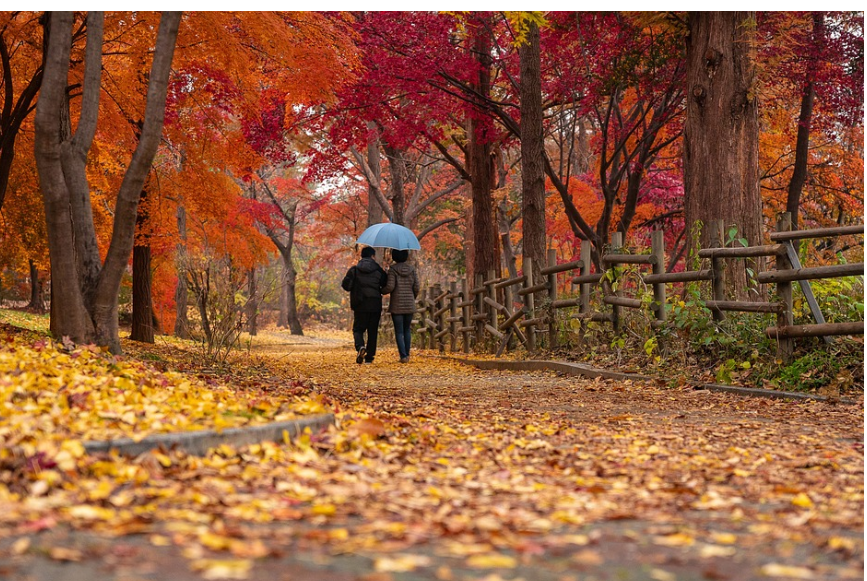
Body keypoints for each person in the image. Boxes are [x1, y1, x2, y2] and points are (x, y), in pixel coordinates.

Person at [341, 246, 387, 364]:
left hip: (360, 304)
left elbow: (346, 286)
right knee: (372, 331)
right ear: (373, 256)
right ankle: (369, 357)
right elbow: (385, 283)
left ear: (362, 256)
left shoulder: (354, 270)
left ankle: (360, 346)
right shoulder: (378, 270)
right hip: (375, 304)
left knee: (358, 329)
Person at [381, 248, 419, 363]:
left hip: (397, 305)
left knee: (399, 331)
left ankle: (403, 356)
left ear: (394, 256)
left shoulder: (393, 269)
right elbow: (416, 287)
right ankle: (407, 354)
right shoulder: (412, 269)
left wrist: (381, 290)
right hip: (409, 304)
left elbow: (390, 287)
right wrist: (412, 298)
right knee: (407, 330)